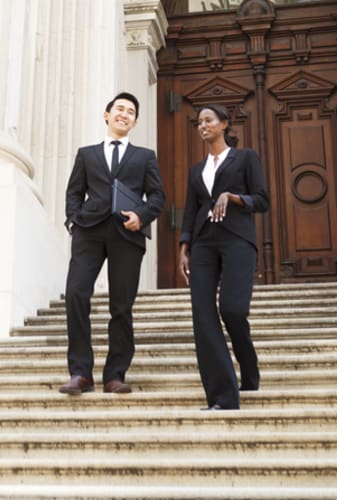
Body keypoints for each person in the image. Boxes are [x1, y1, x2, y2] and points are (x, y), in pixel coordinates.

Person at [59, 92, 165, 395]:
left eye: (131, 111)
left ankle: (115, 374)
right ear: (107, 115)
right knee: (76, 294)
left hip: (127, 235)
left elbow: (157, 197)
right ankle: (80, 373)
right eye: (119, 108)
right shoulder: (87, 154)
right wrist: (72, 221)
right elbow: (74, 192)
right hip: (88, 232)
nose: (124, 114)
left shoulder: (145, 157)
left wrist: (141, 216)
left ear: (134, 121)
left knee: (121, 306)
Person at [178, 103, 269, 410]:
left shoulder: (245, 158)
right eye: (198, 122)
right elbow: (191, 210)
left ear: (224, 124)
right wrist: (184, 246)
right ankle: (222, 396)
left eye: (208, 120)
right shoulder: (196, 170)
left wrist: (232, 196)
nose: (202, 125)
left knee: (231, 309)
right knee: (203, 317)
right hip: (203, 244)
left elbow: (262, 199)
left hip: (237, 240)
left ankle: (248, 364)